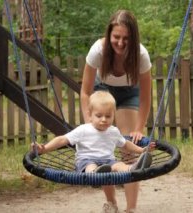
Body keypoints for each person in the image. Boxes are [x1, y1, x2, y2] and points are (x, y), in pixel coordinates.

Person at [31, 91, 154, 213]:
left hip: (108, 161)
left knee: (118, 165)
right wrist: (45, 148)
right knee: (92, 166)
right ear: (90, 115)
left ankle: (133, 168)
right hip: (86, 161)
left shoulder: (113, 131)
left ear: (113, 115)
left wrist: (141, 150)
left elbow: (125, 144)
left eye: (108, 116)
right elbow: (63, 139)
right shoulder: (84, 130)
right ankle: (94, 175)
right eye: (99, 116)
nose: (104, 120)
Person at [80, 9, 152, 213]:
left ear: (134, 37)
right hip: (102, 92)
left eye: (126, 39)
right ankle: (111, 203)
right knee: (101, 147)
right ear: (109, 34)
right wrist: (89, 123)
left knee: (129, 149)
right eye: (116, 37)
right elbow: (85, 92)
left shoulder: (141, 55)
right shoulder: (98, 50)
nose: (120, 43)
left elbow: (146, 98)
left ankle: (131, 208)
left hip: (130, 94)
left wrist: (139, 128)